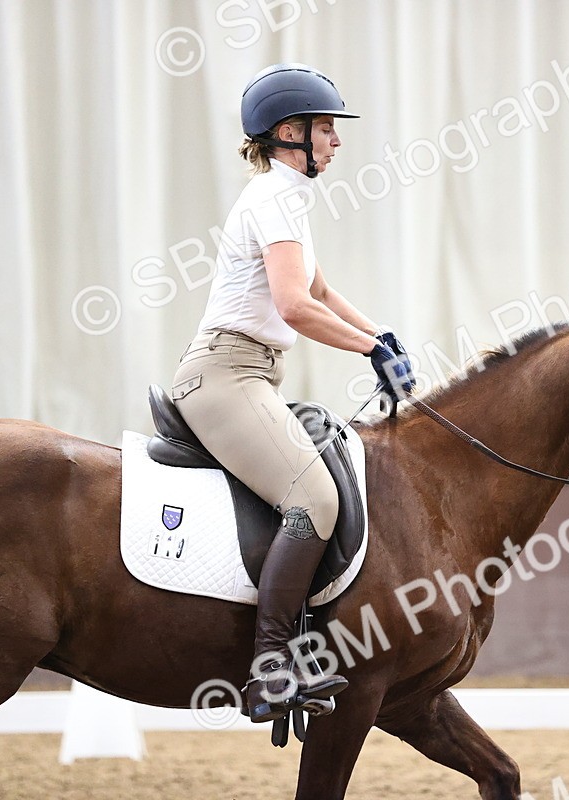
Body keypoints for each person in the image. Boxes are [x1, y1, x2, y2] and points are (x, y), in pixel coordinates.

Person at [171, 63, 415, 723]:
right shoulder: (274, 199)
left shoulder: (288, 197)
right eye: (327, 129)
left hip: (251, 373)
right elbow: (293, 306)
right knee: (314, 497)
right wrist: (370, 352)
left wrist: (384, 335)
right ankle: (271, 669)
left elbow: (323, 294)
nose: (337, 142)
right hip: (226, 374)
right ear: (290, 132)